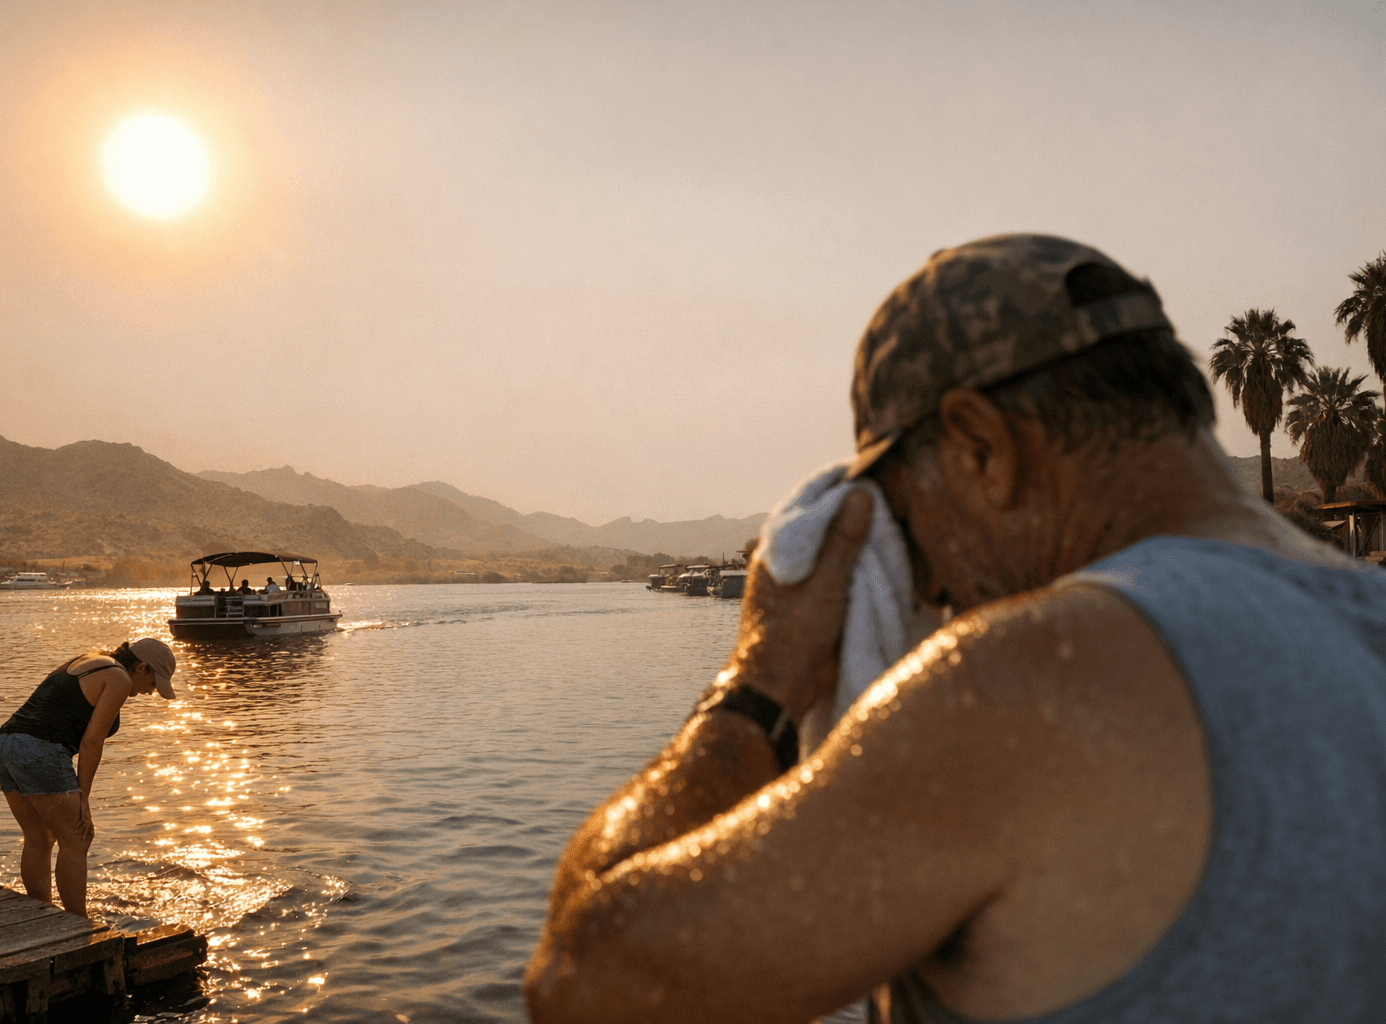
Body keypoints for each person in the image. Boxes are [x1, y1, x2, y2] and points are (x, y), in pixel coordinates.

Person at [524, 234, 1386, 1023]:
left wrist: (764, 674)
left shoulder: (1029, 680)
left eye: (898, 520)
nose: (925, 585)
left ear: (979, 446)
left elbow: (583, 983)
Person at [0, 636, 177, 918]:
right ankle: (78, 924)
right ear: (142, 668)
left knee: (39, 838)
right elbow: (91, 741)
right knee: (78, 838)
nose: (150, 692)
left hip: (6, 745)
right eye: (153, 684)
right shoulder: (119, 679)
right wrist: (84, 799)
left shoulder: (93, 659)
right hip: (39, 750)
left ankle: (41, 915)